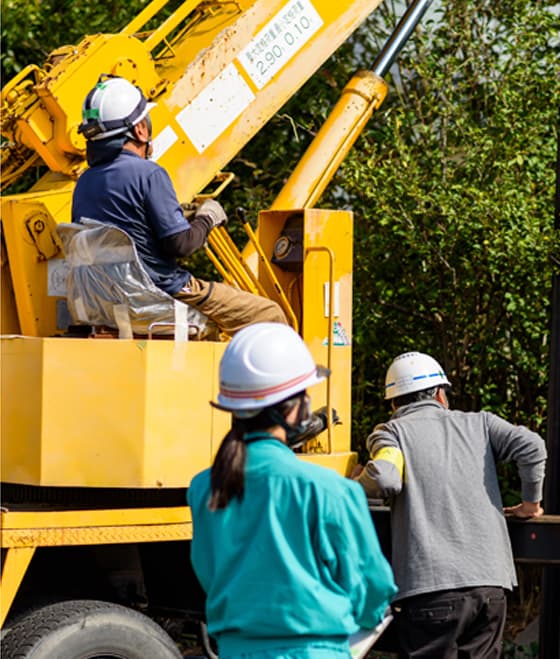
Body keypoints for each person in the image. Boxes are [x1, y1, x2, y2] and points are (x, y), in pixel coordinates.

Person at [188, 322, 397, 658]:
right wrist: (369, 616)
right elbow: (370, 581)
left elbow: (208, 571)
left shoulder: (203, 487)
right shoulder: (329, 489)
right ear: (293, 406)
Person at [353, 351, 548, 658]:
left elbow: (386, 479)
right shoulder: (482, 424)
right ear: (441, 394)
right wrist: (530, 503)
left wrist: (353, 483)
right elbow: (533, 446)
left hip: (430, 592)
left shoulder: (391, 432)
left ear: (394, 404)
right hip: (491, 586)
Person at [72, 74, 286, 336]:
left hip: (112, 301)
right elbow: (181, 245)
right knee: (269, 314)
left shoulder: (84, 183)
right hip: (160, 291)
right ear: (140, 129)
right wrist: (207, 217)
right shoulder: (149, 174)